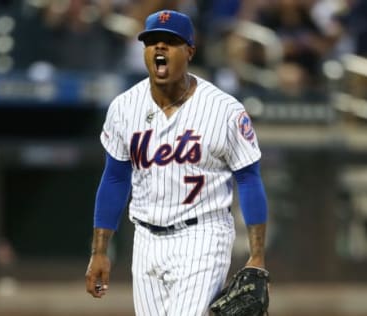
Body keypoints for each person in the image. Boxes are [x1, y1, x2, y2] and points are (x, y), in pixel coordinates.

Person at [85, 10, 269, 315]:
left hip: (203, 235)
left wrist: (257, 257)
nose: (159, 48)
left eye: (170, 42)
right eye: (152, 41)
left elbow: (249, 178)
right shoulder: (124, 107)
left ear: (190, 51)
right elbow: (115, 178)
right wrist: (99, 251)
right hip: (145, 239)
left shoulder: (224, 110)